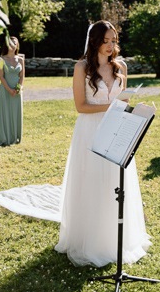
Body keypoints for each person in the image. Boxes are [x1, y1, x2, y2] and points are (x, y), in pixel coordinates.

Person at [55, 21, 151, 267]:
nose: (110, 46)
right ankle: (91, 240)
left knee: (115, 182)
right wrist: (113, 106)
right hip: (90, 130)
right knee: (92, 182)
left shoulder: (121, 67)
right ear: (95, 41)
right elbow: (80, 106)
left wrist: (135, 110)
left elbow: (126, 101)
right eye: (106, 40)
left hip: (118, 128)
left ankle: (114, 239)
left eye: (113, 41)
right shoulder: (82, 68)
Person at [0, 36, 24, 146]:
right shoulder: (1, 59)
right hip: (5, 90)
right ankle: (4, 137)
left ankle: (14, 136)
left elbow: (22, 76)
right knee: (5, 113)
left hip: (17, 92)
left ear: (17, 45)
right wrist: (9, 90)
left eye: (14, 43)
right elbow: (1, 77)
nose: (12, 45)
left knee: (15, 113)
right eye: (10, 43)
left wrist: (17, 89)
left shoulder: (20, 59)